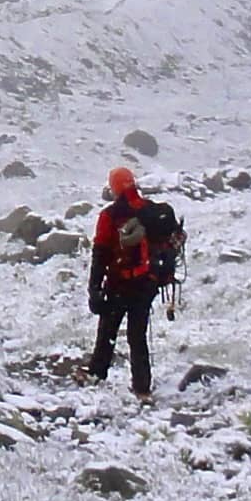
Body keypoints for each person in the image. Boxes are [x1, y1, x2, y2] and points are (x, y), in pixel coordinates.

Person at [87, 164, 185, 399]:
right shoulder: (152, 212)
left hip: (119, 283)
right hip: (147, 283)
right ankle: (142, 387)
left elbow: (100, 254)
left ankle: (96, 374)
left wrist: (94, 288)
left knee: (108, 330)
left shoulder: (110, 216)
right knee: (137, 335)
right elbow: (174, 238)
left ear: (114, 188)